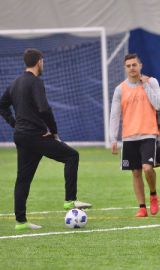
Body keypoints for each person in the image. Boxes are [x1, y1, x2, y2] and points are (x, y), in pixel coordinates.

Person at [0, 48, 92, 230]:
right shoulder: (35, 82)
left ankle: (21, 222)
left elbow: (2, 106)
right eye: (43, 62)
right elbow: (44, 109)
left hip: (22, 136)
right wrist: (54, 132)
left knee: (23, 178)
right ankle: (70, 200)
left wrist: (14, 123)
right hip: (36, 135)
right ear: (39, 62)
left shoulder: (15, 83)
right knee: (72, 156)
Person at [109, 53, 160, 217]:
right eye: (128, 66)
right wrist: (113, 138)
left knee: (147, 168)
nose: (132, 68)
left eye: (134, 65)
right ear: (125, 69)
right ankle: (142, 207)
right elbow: (114, 114)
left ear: (140, 66)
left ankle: (153, 194)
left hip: (148, 133)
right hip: (129, 137)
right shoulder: (120, 89)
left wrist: (145, 85)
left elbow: (159, 104)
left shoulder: (151, 82)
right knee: (135, 172)